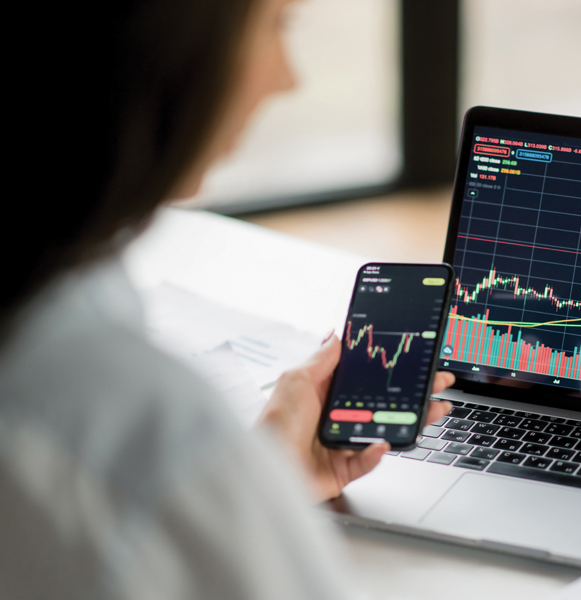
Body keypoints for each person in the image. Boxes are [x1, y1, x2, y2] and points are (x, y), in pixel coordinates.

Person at [0, 0, 454, 597]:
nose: (288, 78)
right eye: (275, 27)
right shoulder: (151, 439)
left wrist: (267, 474)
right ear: (164, 50)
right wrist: (232, 491)